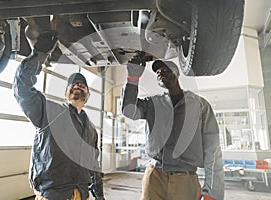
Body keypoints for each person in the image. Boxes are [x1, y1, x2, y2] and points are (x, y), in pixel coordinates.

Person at [13, 31, 105, 200]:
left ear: (88, 94)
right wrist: (39, 53)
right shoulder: (48, 111)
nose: (77, 85)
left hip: (82, 195)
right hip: (52, 194)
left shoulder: (91, 130)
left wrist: (99, 195)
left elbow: (93, 164)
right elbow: (22, 88)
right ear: (66, 93)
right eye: (73, 84)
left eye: (82, 84)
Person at [121, 55, 224, 200]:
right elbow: (128, 110)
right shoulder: (153, 104)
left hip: (185, 180)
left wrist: (212, 192)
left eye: (165, 69)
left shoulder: (200, 106)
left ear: (176, 73)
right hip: (154, 177)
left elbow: (212, 150)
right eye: (157, 71)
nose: (160, 72)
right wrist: (132, 78)